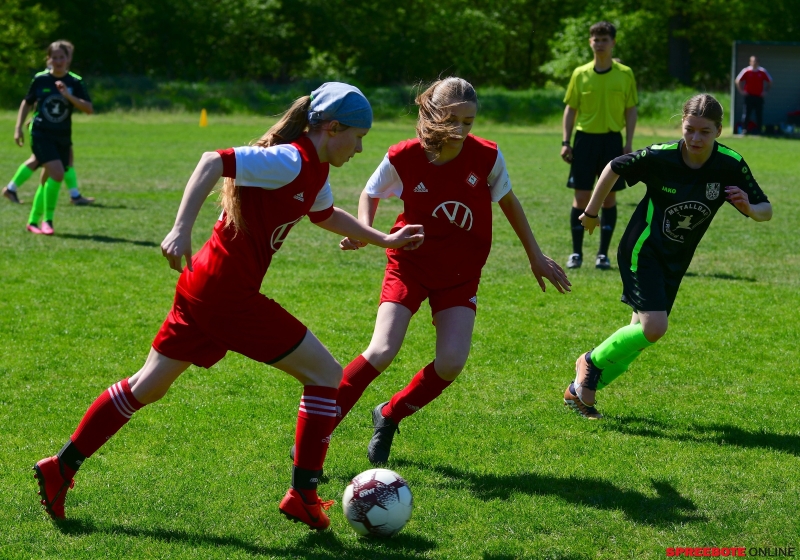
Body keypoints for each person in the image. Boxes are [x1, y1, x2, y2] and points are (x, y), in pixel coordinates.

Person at [32, 82, 424, 530]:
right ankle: (303, 493)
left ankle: (59, 467)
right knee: (326, 376)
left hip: (203, 286)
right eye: (357, 137)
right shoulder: (290, 158)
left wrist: (383, 238)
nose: (358, 148)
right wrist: (181, 228)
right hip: (226, 296)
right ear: (332, 128)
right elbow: (211, 161)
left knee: (149, 384)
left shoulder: (314, 169)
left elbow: (325, 214)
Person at [325, 77, 570, 465]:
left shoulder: (487, 157)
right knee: (382, 350)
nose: (460, 130)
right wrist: (367, 232)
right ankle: (317, 434)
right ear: (433, 115)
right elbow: (370, 191)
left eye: (469, 121)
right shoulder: (404, 155)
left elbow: (509, 202)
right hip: (410, 264)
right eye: (452, 120)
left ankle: (389, 415)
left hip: (460, 272)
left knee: (452, 362)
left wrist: (535, 255)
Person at [563, 94, 772, 420]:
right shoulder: (661, 156)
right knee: (654, 327)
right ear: (682, 125)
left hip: (676, 260)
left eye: (705, 131)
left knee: (640, 336)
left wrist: (749, 207)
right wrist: (591, 213)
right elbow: (613, 167)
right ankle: (589, 363)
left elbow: (766, 210)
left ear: (718, 130)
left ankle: (581, 392)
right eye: (690, 129)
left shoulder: (729, 163)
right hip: (642, 248)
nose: (695, 138)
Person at [560, 21, 638, 270]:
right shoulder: (579, 74)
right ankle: (576, 253)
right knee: (581, 197)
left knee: (608, 198)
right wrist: (566, 141)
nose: (600, 43)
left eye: (604, 39)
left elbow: (631, 109)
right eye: (596, 39)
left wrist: (628, 142)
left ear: (613, 42)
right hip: (584, 141)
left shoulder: (625, 73)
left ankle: (603, 254)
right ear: (590, 42)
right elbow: (570, 109)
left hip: (612, 141)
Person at [11, 40, 93, 234]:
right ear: (48, 59)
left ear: (68, 59)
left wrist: (68, 96)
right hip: (40, 133)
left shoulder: (75, 81)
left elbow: (88, 109)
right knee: (57, 173)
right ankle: (48, 220)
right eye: (54, 57)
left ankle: (32, 221)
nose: (58, 61)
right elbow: (27, 102)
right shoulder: (40, 79)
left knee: (46, 180)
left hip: (63, 136)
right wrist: (18, 128)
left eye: (61, 57)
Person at [735, 56, 772, 135]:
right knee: (746, 114)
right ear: (750, 62)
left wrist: (765, 91)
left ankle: (759, 130)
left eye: (756, 61)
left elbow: (770, 81)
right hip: (749, 96)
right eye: (752, 61)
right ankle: (745, 130)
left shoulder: (762, 71)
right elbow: (737, 80)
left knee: (759, 114)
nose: (754, 63)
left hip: (759, 97)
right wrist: (742, 91)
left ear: (758, 62)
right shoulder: (746, 71)